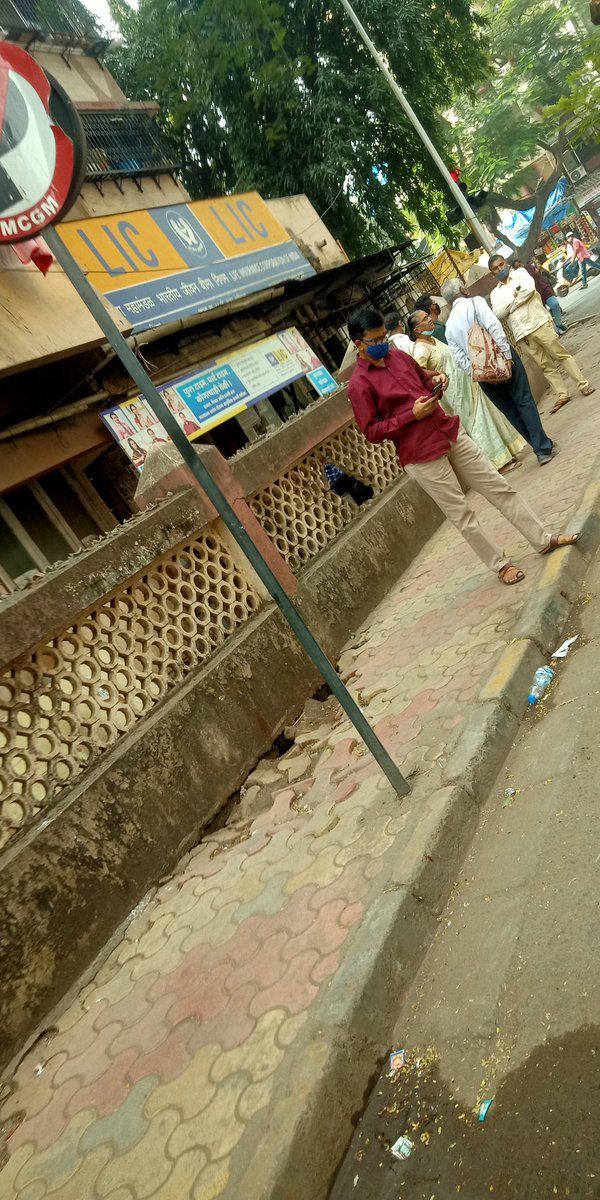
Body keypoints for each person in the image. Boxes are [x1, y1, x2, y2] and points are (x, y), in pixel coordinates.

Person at [347, 306, 580, 586]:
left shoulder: (398, 356)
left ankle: (543, 539)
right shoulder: (359, 385)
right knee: (462, 514)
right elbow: (371, 431)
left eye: (385, 336)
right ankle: (501, 565)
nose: (384, 343)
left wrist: (437, 381)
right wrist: (411, 415)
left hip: (448, 431)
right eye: (376, 340)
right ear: (360, 344)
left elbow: (423, 379)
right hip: (420, 455)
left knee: (499, 487)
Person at [442, 277, 557, 465]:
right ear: (463, 289)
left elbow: (461, 359)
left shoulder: (449, 327)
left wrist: (481, 375)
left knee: (510, 410)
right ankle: (542, 448)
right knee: (524, 401)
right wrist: (507, 356)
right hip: (502, 359)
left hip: (482, 374)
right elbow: (494, 328)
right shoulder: (476, 303)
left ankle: (541, 446)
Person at [407, 309, 525, 472]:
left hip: (466, 386)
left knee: (485, 418)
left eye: (428, 316)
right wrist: (437, 374)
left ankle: (505, 455)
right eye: (424, 318)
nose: (429, 319)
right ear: (417, 330)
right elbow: (418, 371)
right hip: (455, 394)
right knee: (476, 424)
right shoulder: (420, 348)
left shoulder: (432, 340)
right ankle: (496, 464)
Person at [488, 253, 594, 414]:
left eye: (501, 264)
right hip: (522, 334)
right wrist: (514, 299)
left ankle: (583, 385)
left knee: (560, 355)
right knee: (545, 365)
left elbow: (529, 290)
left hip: (538, 322)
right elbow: (498, 312)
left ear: (506, 263)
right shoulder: (495, 293)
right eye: (496, 268)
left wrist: (510, 304)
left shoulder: (520, 274)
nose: (500, 269)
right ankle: (562, 394)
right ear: (492, 273)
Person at [515, 257, 567, 335]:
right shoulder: (516, 277)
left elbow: (538, 273)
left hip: (543, 288)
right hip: (534, 295)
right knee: (545, 314)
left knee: (555, 304)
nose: (519, 268)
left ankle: (559, 323)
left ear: (522, 263)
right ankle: (556, 330)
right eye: (517, 267)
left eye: (520, 265)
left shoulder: (529, 267)